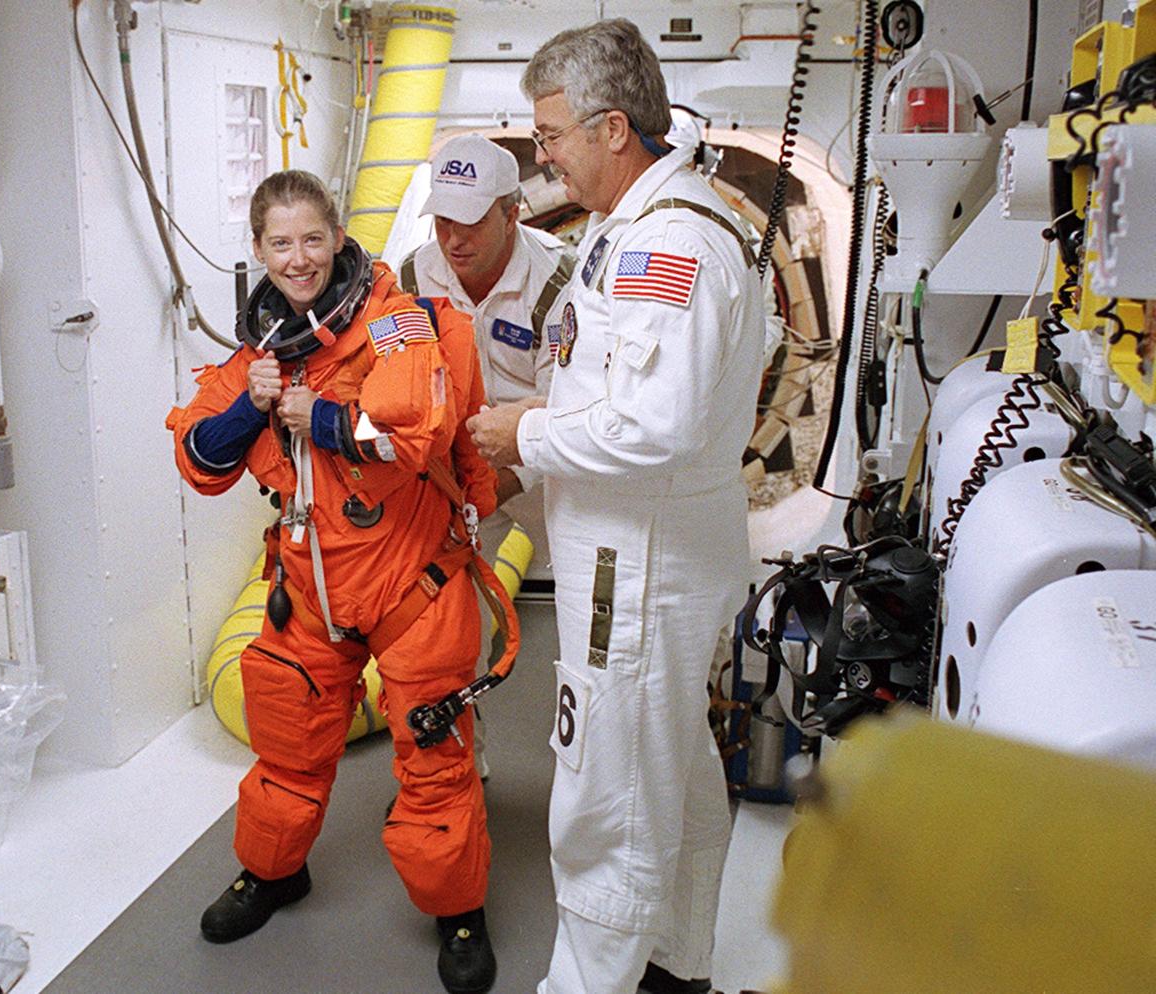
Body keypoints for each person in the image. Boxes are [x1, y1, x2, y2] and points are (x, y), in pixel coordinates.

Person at [467, 20, 766, 994]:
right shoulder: (627, 223)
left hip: (634, 572)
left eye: (549, 133)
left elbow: (656, 426)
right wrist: (533, 457)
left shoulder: (669, 242)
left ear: (609, 128)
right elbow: (608, 388)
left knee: (605, 804)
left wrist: (527, 436)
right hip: (640, 555)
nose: (541, 153)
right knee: (670, 774)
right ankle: (675, 967)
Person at [166, 170, 501, 994]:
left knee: (433, 755)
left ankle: (457, 909)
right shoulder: (256, 357)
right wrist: (255, 405)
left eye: (313, 238)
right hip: (310, 588)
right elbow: (200, 460)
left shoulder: (397, 325)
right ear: (258, 251)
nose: (300, 257)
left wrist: (314, 414)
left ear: (339, 236)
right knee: (286, 742)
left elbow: (410, 434)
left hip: (410, 582)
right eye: (280, 243)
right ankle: (275, 872)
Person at [399, 133, 574, 772]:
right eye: (443, 220)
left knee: (589, 620)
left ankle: (594, 773)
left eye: (471, 220)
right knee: (438, 628)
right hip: (458, 472)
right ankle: (456, 767)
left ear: (511, 211)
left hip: (547, 472)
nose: (454, 239)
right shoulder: (416, 274)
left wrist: (499, 481)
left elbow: (568, 412)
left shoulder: (559, 281)